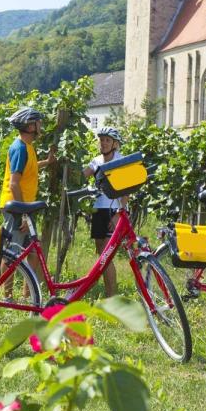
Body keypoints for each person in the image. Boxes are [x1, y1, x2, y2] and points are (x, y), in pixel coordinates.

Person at [0, 106, 56, 298]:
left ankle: (27, 296)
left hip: (23, 208)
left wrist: (46, 162)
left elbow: (28, 167)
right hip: (16, 208)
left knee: (32, 253)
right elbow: (14, 183)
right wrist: (23, 214)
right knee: (11, 254)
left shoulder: (28, 147)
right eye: (38, 122)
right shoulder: (20, 148)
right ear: (30, 126)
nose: (41, 125)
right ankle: (7, 298)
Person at [82, 126, 124, 298]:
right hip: (98, 209)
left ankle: (111, 297)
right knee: (101, 254)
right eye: (101, 140)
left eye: (107, 140)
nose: (104, 143)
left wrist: (119, 214)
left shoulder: (120, 161)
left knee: (107, 256)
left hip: (113, 210)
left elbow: (126, 191)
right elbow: (82, 175)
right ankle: (107, 294)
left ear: (115, 144)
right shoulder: (96, 161)